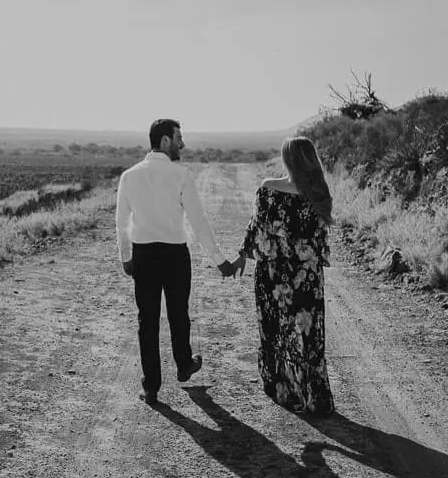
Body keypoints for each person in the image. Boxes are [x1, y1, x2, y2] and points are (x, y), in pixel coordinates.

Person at [117, 118, 238, 405]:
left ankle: (151, 387)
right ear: (165, 141)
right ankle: (184, 364)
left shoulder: (129, 176)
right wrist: (220, 260)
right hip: (174, 255)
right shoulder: (181, 175)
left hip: (143, 254)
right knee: (178, 313)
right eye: (178, 138)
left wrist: (126, 257)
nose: (182, 144)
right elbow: (198, 221)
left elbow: (121, 223)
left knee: (147, 320)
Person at [235, 135, 335, 415]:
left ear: (287, 160)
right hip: (307, 275)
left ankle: (283, 388)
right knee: (308, 335)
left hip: (273, 273)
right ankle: (313, 394)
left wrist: (242, 255)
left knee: (274, 330)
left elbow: (256, 228)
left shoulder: (268, 188)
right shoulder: (319, 194)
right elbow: (319, 241)